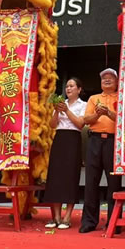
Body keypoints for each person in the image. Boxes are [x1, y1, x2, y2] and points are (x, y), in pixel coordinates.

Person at [79, 68, 121, 234]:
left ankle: (114, 221)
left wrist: (109, 113)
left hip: (113, 142)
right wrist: (97, 114)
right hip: (94, 141)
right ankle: (89, 221)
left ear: (117, 82)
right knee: (91, 182)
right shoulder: (93, 98)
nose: (107, 80)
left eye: (111, 78)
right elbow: (86, 120)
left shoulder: (121, 97)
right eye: (104, 78)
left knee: (114, 183)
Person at [43, 77, 87, 229]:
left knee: (70, 176)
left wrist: (67, 111)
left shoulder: (83, 105)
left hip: (73, 139)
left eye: (72, 86)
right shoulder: (61, 103)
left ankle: (67, 217)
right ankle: (55, 217)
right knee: (55, 176)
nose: (68, 89)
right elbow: (52, 125)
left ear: (79, 89)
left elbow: (80, 124)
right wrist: (56, 111)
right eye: (67, 86)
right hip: (59, 139)